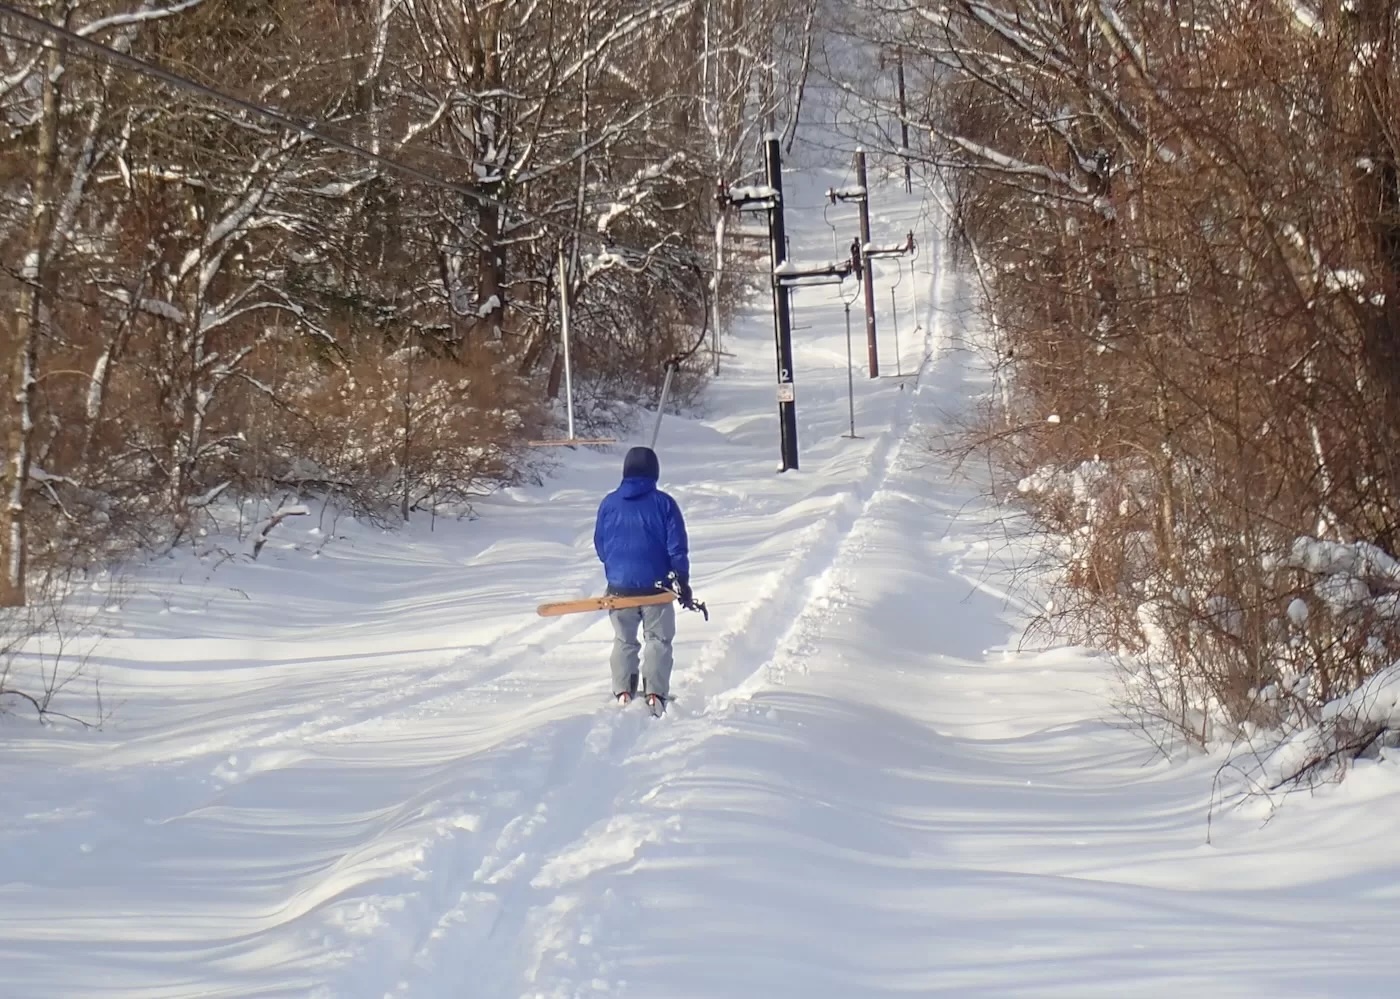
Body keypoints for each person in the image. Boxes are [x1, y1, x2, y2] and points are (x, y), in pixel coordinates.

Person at [593, 445, 696, 712]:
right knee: (658, 640)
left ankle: (623, 691)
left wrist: (618, 568)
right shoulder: (664, 504)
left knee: (624, 640)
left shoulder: (609, 503)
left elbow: (601, 546)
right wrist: (682, 581)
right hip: (656, 589)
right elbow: (677, 547)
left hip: (618, 589)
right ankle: (655, 695)